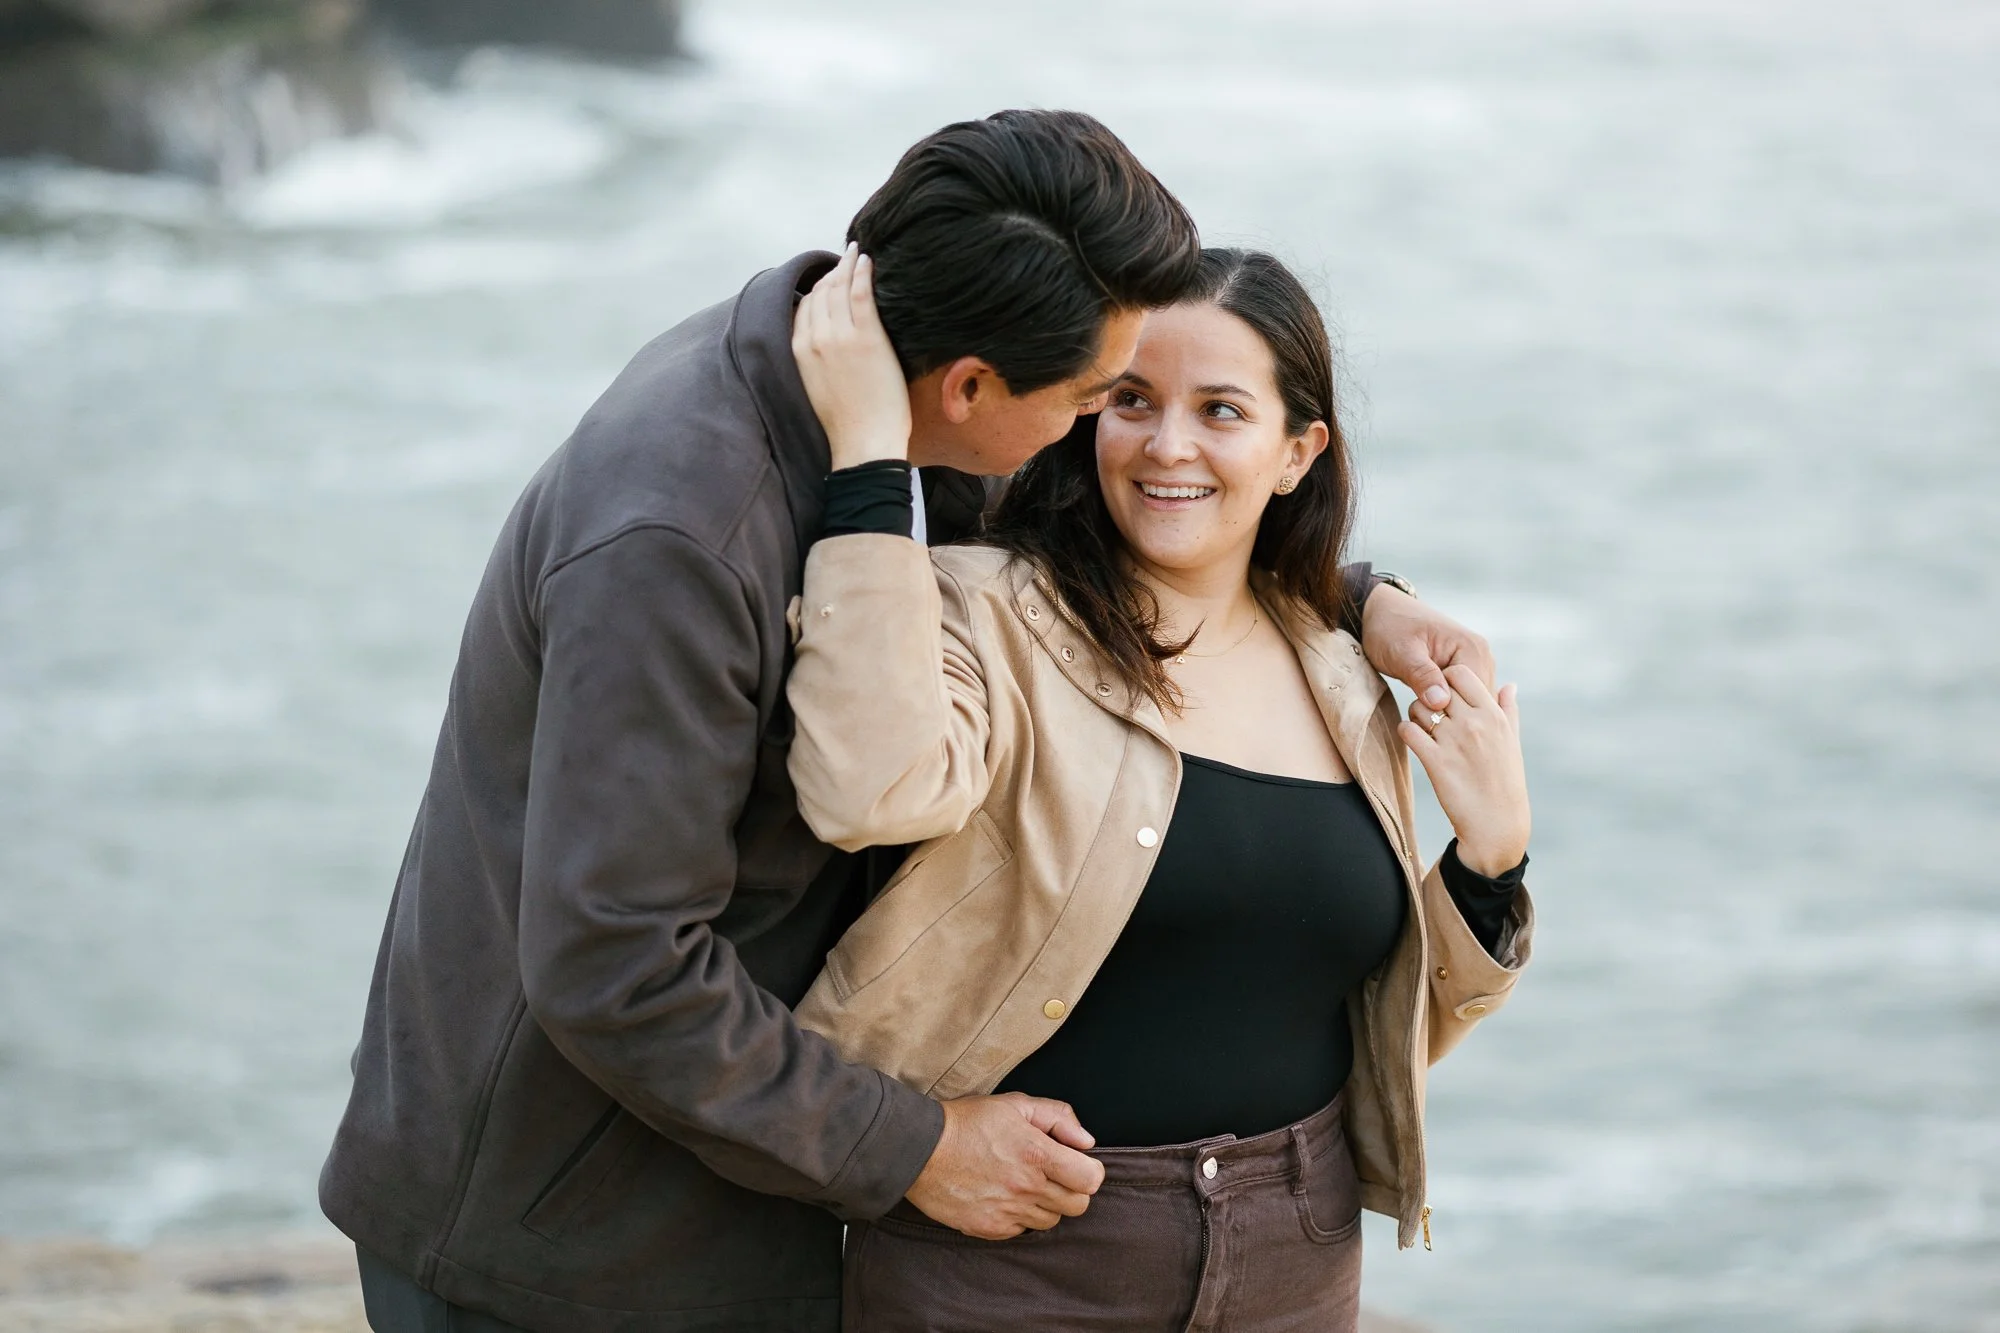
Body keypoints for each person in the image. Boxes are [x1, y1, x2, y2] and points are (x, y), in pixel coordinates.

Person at [322, 109, 1500, 1333]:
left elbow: (1120, 527)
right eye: (1098, 396)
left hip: (738, 1176)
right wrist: (921, 1144)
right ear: (972, 388)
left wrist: (1351, 600)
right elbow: (614, 963)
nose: (1099, 432)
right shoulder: (678, 533)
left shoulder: (906, 394)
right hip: (559, 1235)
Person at [784, 244, 1535, 1331]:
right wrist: (867, 457)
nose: (1165, 443)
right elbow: (866, 791)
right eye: (1130, 399)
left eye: (1220, 409)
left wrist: (1489, 860)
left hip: (1297, 1254)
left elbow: (1364, 1027)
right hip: (1014, 1255)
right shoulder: (979, 607)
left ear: (1296, 452)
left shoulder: (1340, 674)